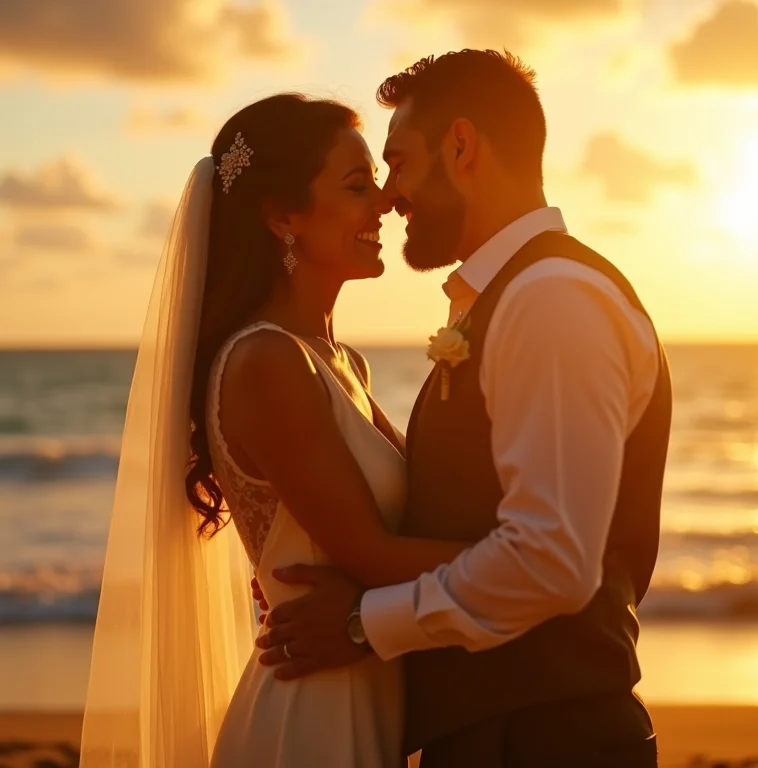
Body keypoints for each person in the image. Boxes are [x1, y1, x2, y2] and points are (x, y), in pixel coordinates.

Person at [255, 50, 673, 768]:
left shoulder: (552, 300)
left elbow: (552, 561)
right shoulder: (517, 298)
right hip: (505, 733)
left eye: (400, 163)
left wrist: (361, 625)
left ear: (461, 146)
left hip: (546, 741)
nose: (390, 196)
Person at [79, 92, 470, 768]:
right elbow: (372, 554)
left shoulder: (339, 362)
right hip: (313, 718)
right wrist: (538, 558)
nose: (384, 205)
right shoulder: (266, 361)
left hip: (366, 686)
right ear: (281, 217)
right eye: (356, 186)